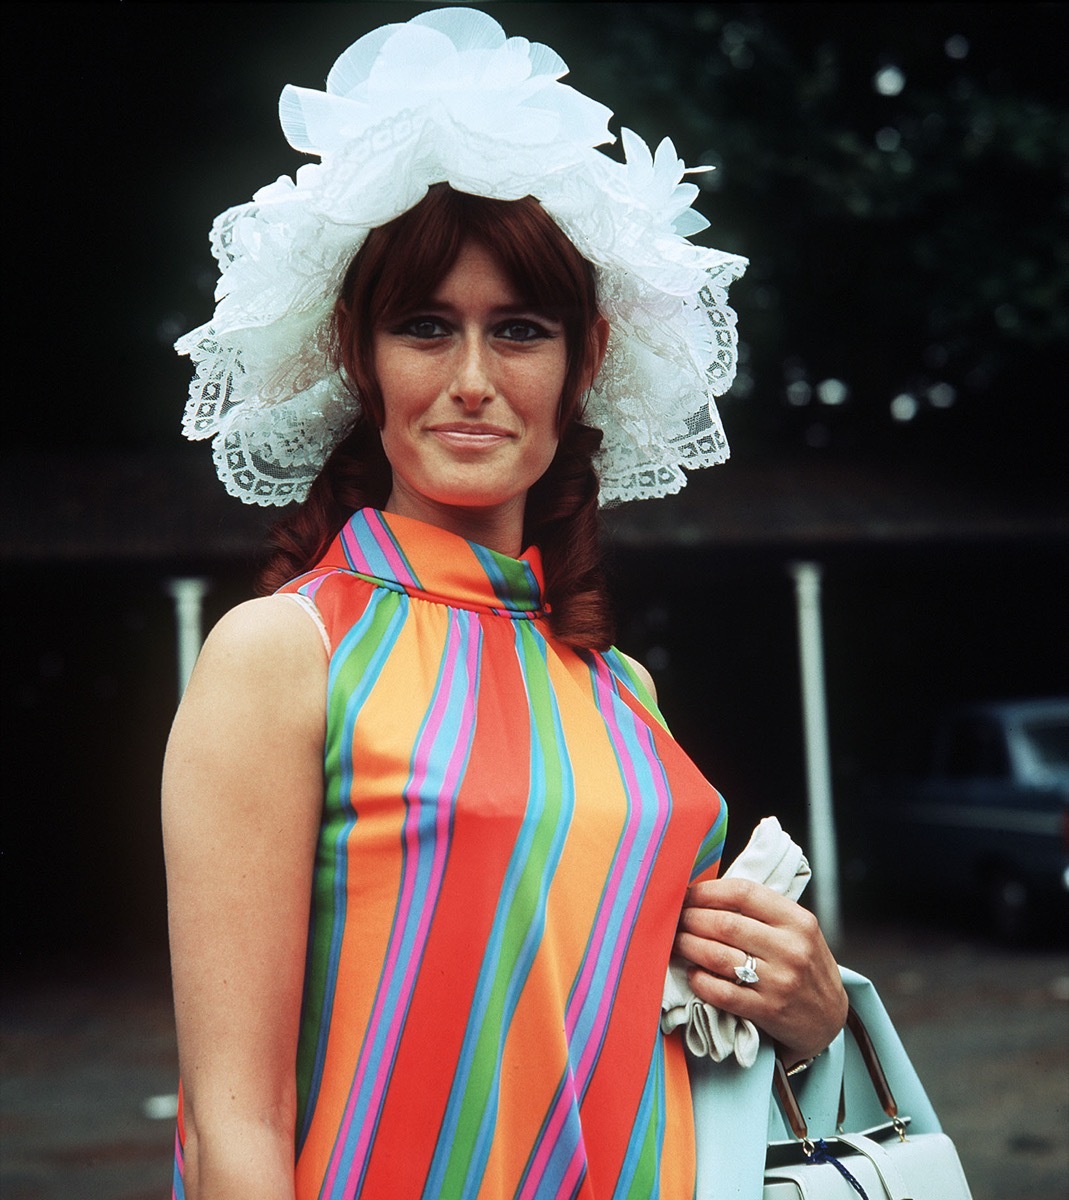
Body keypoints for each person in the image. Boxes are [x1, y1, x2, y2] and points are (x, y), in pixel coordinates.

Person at [163, 9, 847, 1199]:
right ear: (359, 354)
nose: (472, 380)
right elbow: (234, 1124)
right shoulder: (283, 652)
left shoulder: (618, 686)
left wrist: (806, 1005)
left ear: (585, 359)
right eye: (425, 326)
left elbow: (650, 1025)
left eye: (519, 330)